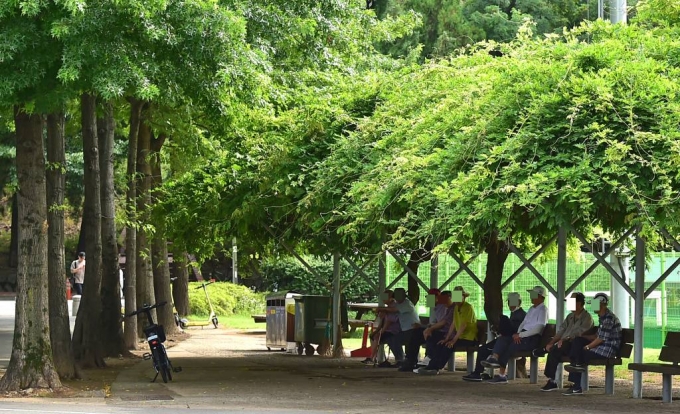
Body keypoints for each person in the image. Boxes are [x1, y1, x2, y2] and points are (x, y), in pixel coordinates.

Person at [480, 285, 549, 384]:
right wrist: (518, 333)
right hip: (523, 336)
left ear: (540, 296)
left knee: (509, 347)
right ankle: (494, 358)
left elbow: (538, 329)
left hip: (531, 339)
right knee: (503, 340)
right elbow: (523, 323)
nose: (531, 297)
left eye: (533, 295)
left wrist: (520, 335)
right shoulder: (531, 309)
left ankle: (501, 375)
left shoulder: (543, 310)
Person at [562, 292, 621, 395]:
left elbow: (601, 339)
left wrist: (588, 347)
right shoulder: (603, 317)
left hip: (607, 350)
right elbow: (596, 336)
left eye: (594, 303)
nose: (592, 306)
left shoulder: (608, 318)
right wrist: (581, 337)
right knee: (577, 343)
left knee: (580, 354)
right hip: (602, 347)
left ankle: (576, 385)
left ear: (601, 304)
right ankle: (575, 372)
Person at [463, 292, 526, 382]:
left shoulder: (520, 315)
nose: (510, 304)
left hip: (508, 341)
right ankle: (480, 372)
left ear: (519, 302)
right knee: (483, 349)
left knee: (484, 349)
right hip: (506, 339)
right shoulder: (515, 313)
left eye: (513, 302)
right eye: (509, 302)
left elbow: (516, 330)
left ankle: (479, 372)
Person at [417, 286, 478, 375]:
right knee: (441, 343)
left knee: (448, 346)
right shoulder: (456, 308)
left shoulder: (468, 307)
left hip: (468, 338)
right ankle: (431, 366)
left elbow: (463, 325)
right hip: (460, 336)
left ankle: (436, 368)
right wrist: (447, 338)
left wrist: (453, 340)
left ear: (463, 297)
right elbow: (453, 323)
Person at [540, 292, 593, 391]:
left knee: (556, 350)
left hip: (576, 346)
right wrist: (551, 342)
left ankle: (543, 351)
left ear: (579, 303)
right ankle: (552, 380)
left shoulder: (587, 317)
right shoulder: (570, 316)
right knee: (553, 350)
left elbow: (579, 333)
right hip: (564, 344)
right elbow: (561, 330)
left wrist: (564, 339)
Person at [398, 289, 452, 372]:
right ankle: (411, 360)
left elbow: (442, 323)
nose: (427, 299)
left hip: (443, 332)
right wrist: (425, 327)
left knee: (429, 335)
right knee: (416, 334)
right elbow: (434, 323)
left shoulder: (442, 307)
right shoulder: (436, 308)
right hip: (438, 330)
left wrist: (429, 328)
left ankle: (428, 359)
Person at [383, 287, 421, 367]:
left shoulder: (407, 303)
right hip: (405, 329)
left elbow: (394, 310)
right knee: (392, 339)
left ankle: (403, 360)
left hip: (413, 329)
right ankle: (401, 359)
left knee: (396, 339)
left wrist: (381, 309)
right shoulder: (398, 304)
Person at [361, 290, 401, 366]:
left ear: (390, 298)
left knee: (377, 337)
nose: (383, 299)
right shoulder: (387, 308)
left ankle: (372, 357)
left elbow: (389, 322)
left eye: (385, 297)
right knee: (373, 336)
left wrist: (381, 332)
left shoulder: (394, 307)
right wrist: (378, 330)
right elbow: (383, 321)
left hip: (393, 330)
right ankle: (372, 356)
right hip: (387, 330)